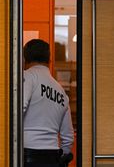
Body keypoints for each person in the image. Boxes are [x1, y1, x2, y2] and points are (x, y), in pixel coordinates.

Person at [23, 39, 74, 167]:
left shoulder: (27, 77)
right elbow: (68, 137)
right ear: (49, 60)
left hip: (27, 153)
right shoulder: (61, 91)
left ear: (24, 59)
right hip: (52, 155)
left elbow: (19, 109)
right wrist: (63, 158)